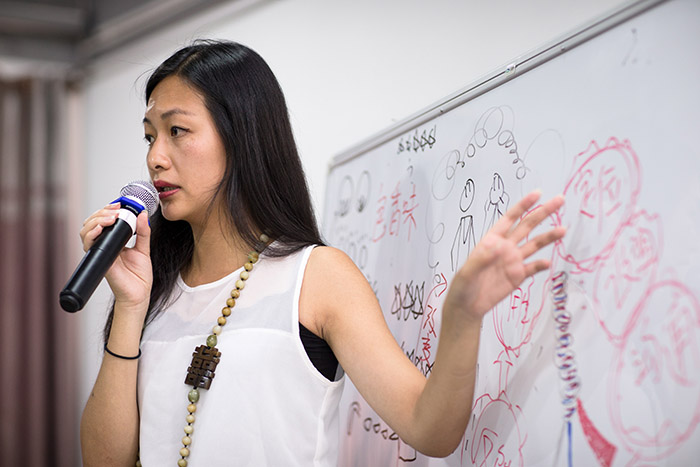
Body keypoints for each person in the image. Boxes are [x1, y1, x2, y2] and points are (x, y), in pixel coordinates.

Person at [79, 40, 566, 467]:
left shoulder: (315, 276)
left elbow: (430, 428)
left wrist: (461, 318)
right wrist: (130, 305)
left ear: (242, 136)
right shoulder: (154, 287)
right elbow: (103, 461)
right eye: (150, 136)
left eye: (177, 131)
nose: (155, 157)